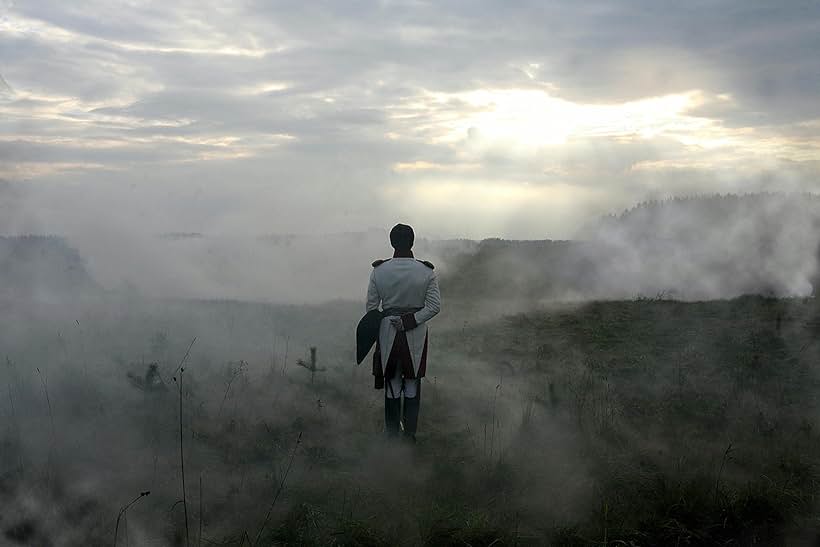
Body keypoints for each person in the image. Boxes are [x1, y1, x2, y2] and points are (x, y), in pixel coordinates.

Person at [365, 223, 441, 442]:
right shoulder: (426, 271)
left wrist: (392, 321)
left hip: (387, 332)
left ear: (391, 242)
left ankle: (392, 438)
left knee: (392, 382)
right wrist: (411, 321)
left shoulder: (379, 271)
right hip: (416, 333)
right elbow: (434, 306)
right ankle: (409, 437)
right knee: (412, 382)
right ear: (412, 241)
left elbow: (371, 309)